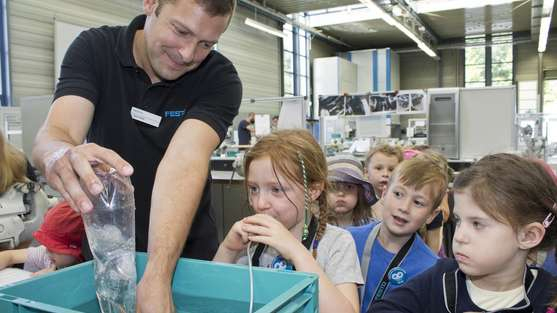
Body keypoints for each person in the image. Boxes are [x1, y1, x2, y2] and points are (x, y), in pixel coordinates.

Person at [31, 0, 242, 311]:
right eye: (180, 31)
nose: (187, 54)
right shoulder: (95, 50)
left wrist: (158, 275)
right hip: (109, 256)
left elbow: (184, 162)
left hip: (186, 259)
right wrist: (60, 153)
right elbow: (55, 132)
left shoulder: (218, 78)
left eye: (206, 44)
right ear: (151, 4)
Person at [369, 153, 557, 313]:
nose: (459, 236)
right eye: (459, 220)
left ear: (529, 236)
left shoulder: (548, 297)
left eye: (477, 224)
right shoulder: (439, 278)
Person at [214, 130, 363, 313]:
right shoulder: (249, 244)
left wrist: (296, 251)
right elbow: (209, 300)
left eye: (276, 190)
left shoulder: (336, 243)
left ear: (313, 190)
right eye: (253, 189)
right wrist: (228, 249)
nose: (260, 203)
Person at [349, 153, 448, 313]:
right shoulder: (347, 240)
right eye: (398, 194)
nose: (404, 207)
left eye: (418, 202)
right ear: (384, 194)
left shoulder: (430, 271)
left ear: (431, 215)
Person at [0, 201, 84, 276]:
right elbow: (10, 256)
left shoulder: (90, 273)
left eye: (53, 249)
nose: (47, 252)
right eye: (48, 247)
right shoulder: (49, 258)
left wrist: (52, 281)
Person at [327, 155, 375, 228]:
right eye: (333, 187)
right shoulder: (314, 227)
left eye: (349, 187)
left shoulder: (371, 227)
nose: (341, 193)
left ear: (359, 193)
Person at [365, 144, 403, 219]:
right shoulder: (360, 201)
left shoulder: (403, 202)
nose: (385, 174)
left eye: (391, 170)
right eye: (378, 168)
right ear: (366, 172)